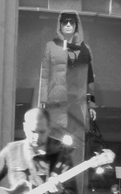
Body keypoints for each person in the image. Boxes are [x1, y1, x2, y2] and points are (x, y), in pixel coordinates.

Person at [37, 11, 96, 144]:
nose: (68, 25)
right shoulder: (51, 46)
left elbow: (90, 79)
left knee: (77, 142)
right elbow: (44, 76)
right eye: (65, 22)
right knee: (55, 140)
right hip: (57, 102)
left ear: (76, 25)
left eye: (71, 22)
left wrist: (92, 105)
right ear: (60, 25)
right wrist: (42, 101)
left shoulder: (85, 49)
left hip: (77, 103)